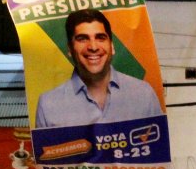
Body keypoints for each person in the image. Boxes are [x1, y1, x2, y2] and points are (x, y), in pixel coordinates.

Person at [34, 8, 163, 128]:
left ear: (112, 46)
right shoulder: (48, 105)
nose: (93, 47)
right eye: (82, 39)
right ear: (70, 49)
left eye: (100, 38)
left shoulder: (144, 94)